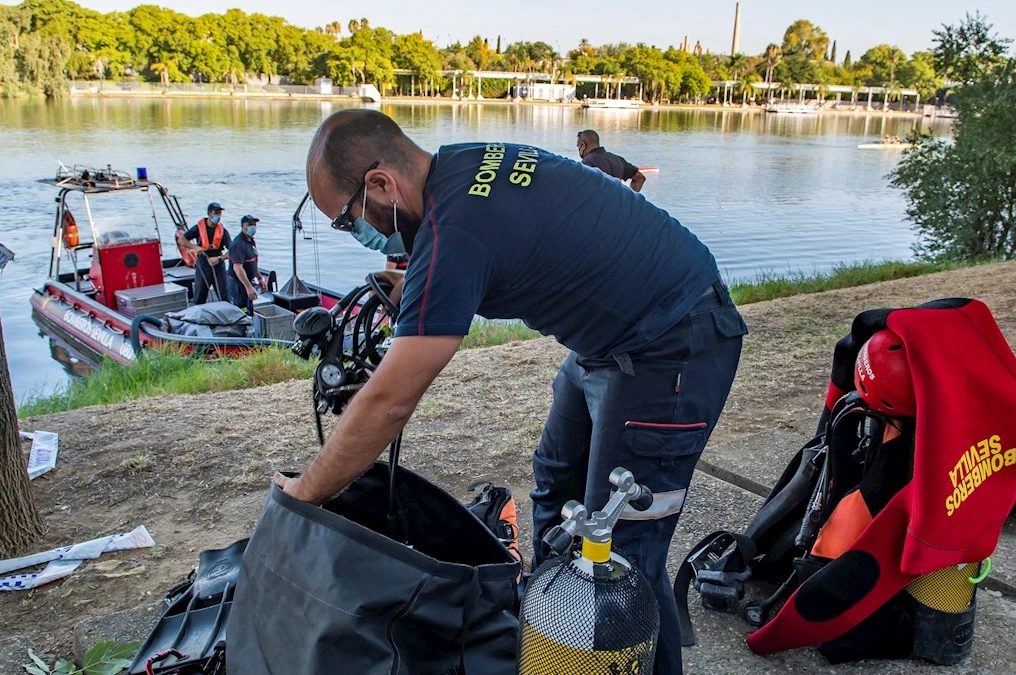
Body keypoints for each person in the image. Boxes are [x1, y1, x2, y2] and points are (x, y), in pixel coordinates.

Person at [275, 109, 747, 674]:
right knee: (555, 489)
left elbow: (390, 402)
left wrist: (304, 493)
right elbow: (506, 241)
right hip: (606, 341)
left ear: (381, 184)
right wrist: (422, 283)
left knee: (620, 554)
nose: (356, 233)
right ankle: (553, 644)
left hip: (673, 343)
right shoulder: (460, 165)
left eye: (347, 219)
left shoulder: (455, 234)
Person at [178, 202, 231, 304]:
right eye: (216, 212)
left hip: (218, 263)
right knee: (200, 296)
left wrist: (220, 258)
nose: (218, 215)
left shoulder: (223, 231)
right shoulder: (198, 228)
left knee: (224, 295)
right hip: (203, 262)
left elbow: (232, 251)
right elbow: (181, 240)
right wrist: (195, 247)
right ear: (209, 213)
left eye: (219, 213)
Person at [576, 129, 647, 192]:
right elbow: (640, 178)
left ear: (583, 145)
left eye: (578, 146)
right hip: (617, 205)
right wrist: (630, 200)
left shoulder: (586, 163)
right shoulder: (617, 160)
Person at [228, 215, 262, 311]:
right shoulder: (238, 244)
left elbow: (253, 262)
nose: (253, 227)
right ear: (243, 226)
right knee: (241, 309)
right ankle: (242, 324)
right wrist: (248, 287)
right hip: (238, 283)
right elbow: (237, 268)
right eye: (249, 224)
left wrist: (259, 277)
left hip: (248, 280)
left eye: (254, 224)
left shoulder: (251, 241)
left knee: (249, 308)